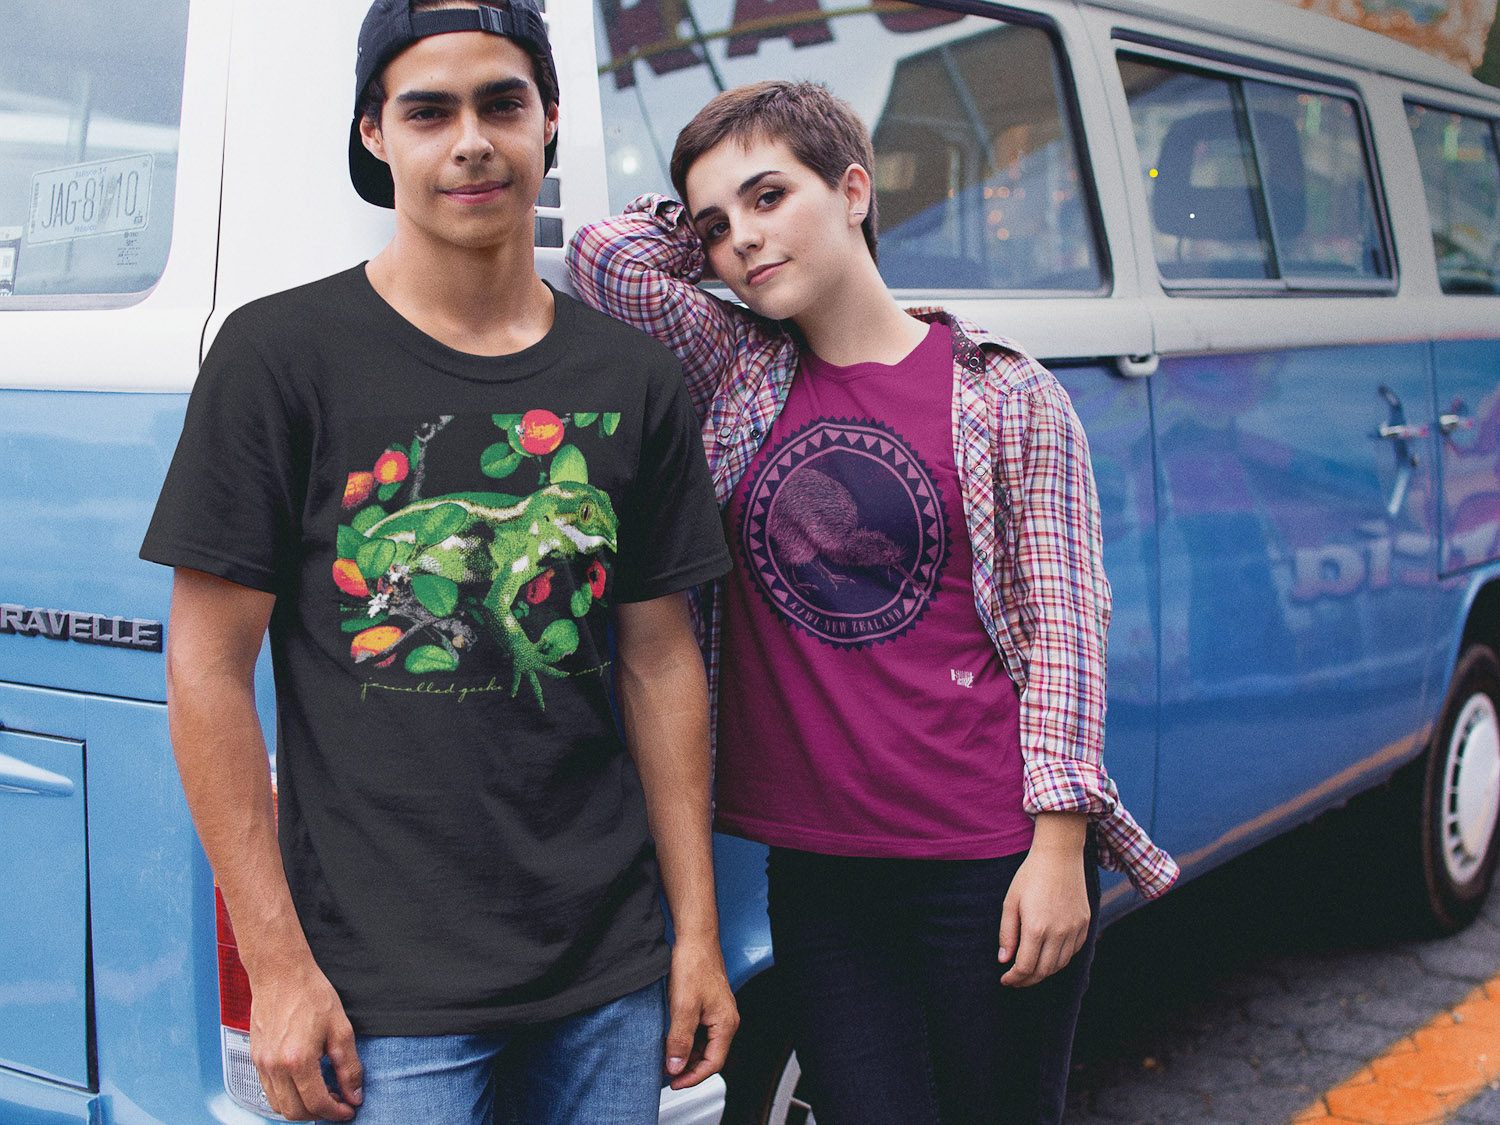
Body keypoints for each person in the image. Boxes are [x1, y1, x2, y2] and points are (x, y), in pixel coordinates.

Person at [139, 2, 738, 1121]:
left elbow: (660, 665)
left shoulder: (634, 379)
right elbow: (206, 671)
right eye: (429, 110)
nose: (471, 140)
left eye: (502, 103)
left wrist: (694, 936)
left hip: (606, 972)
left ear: (549, 124)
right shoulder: (280, 357)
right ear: (377, 135)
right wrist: (276, 968)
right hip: (380, 993)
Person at [567, 80, 1179, 1124]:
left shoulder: (1003, 390)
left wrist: (1060, 848)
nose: (743, 242)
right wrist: (697, 216)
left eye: (770, 198)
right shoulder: (739, 372)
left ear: (855, 190)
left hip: (984, 859)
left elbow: (1069, 625)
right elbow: (603, 262)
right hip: (821, 871)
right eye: (719, 227)